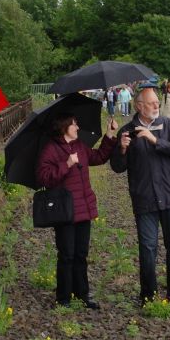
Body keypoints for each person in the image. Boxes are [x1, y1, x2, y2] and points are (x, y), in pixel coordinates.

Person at [110, 88, 170, 304]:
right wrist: (121, 149)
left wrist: (155, 140)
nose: (156, 105)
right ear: (139, 106)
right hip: (144, 198)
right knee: (147, 247)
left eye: (156, 102)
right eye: (151, 103)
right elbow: (117, 167)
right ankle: (148, 295)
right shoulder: (127, 131)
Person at [36, 114, 118, 309]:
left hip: (83, 208)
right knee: (67, 254)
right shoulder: (51, 149)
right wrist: (66, 164)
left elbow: (98, 157)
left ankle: (82, 294)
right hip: (65, 211)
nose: (77, 127)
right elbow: (44, 178)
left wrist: (109, 135)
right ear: (64, 126)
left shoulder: (79, 146)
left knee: (81, 254)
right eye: (74, 124)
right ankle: (63, 297)